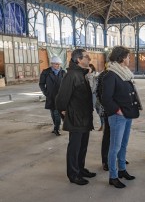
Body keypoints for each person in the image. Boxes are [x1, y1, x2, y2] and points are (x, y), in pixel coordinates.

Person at [101, 46, 141, 189]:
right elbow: (106, 98)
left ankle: (122, 169)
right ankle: (113, 176)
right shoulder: (111, 74)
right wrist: (118, 110)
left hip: (128, 113)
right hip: (118, 116)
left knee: (123, 145)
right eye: (128, 56)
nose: (130, 59)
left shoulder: (124, 73)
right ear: (122, 58)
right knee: (115, 147)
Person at [55, 49, 96, 185]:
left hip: (85, 116)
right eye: (87, 57)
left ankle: (80, 168)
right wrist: (64, 112)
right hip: (76, 117)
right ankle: (73, 174)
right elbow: (61, 99)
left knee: (83, 146)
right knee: (75, 147)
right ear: (78, 59)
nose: (89, 59)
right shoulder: (71, 75)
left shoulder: (82, 74)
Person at [39, 56, 66, 136]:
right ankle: (56, 127)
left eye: (59, 64)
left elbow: (67, 84)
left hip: (61, 97)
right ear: (52, 64)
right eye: (56, 64)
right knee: (53, 113)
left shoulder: (63, 72)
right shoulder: (46, 72)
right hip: (51, 96)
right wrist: (46, 93)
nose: (58, 66)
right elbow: (41, 83)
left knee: (58, 113)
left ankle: (57, 128)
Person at [87, 63, 104, 131]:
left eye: (88, 68)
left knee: (99, 111)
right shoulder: (85, 76)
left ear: (92, 69)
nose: (87, 70)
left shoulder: (96, 76)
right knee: (88, 112)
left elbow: (95, 87)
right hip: (87, 97)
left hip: (96, 96)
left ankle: (103, 125)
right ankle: (89, 125)